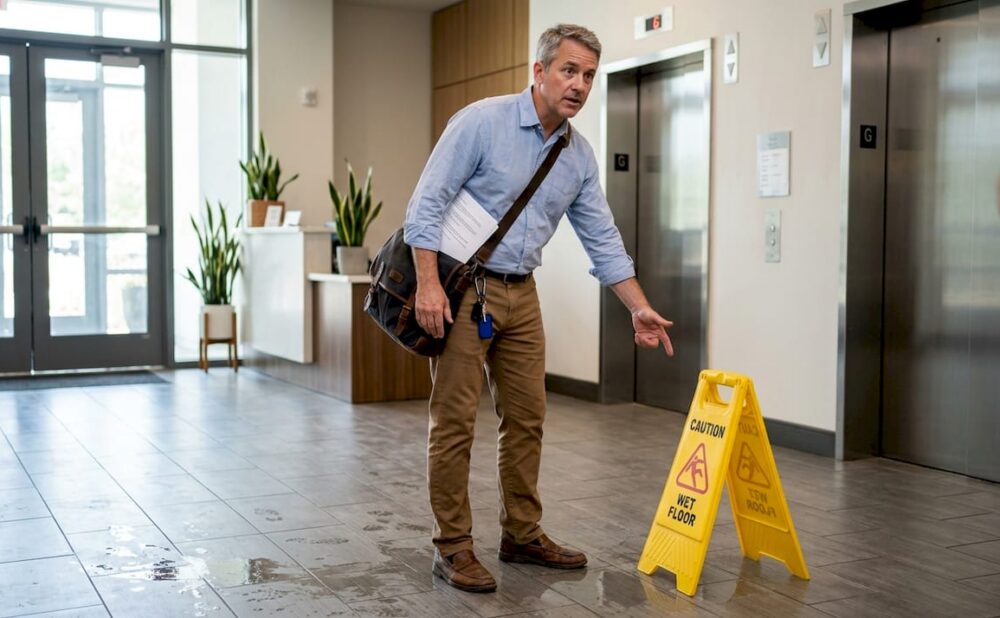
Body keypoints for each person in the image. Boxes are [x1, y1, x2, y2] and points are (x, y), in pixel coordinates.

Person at [403, 24, 674, 593]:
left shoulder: (578, 156)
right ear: (540, 71)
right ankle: (452, 547)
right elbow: (425, 206)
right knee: (453, 423)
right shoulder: (482, 122)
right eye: (569, 70)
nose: (579, 85)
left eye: (589, 76)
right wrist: (428, 285)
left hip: (521, 292)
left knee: (527, 418)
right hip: (462, 288)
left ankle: (521, 534)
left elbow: (602, 238)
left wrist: (637, 307)